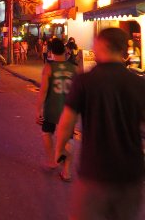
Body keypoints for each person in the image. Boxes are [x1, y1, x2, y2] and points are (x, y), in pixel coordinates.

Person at [55, 28, 145, 219]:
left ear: (102, 45)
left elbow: (66, 122)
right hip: (131, 175)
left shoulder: (85, 81)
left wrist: (60, 148)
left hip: (96, 172)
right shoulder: (138, 83)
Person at [36, 38, 77, 179]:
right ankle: (66, 171)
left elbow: (43, 91)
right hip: (69, 110)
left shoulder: (49, 67)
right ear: (65, 50)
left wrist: (38, 110)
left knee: (47, 132)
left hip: (51, 109)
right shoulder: (74, 68)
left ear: (51, 51)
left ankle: (52, 161)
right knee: (69, 138)